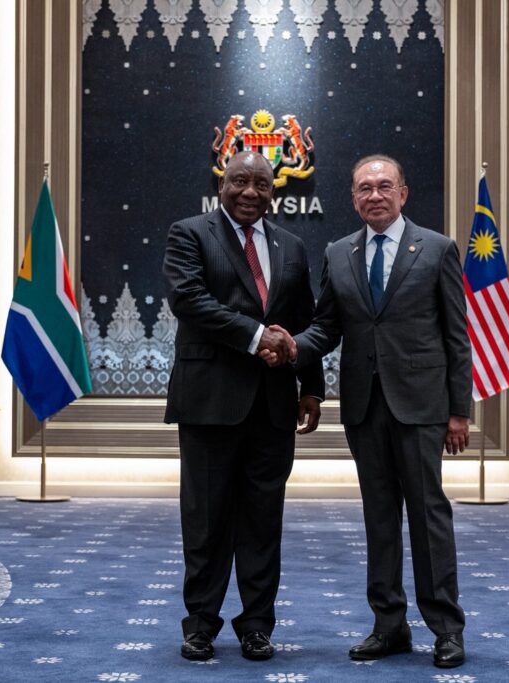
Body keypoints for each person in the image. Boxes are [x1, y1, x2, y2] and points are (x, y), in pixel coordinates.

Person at [262, 154, 472, 668]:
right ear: (353, 198)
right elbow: (327, 327)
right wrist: (293, 348)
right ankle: (389, 625)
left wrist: (458, 412)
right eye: (364, 188)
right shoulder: (339, 253)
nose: (374, 195)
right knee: (379, 518)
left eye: (384, 186)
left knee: (428, 516)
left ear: (403, 193)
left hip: (421, 407)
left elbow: (456, 336)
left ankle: (446, 628)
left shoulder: (437, 248)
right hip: (364, 407)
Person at [162, 150, 324, 662]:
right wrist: (257, 336)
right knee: (206, 520)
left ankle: (257, 626)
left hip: (273, 406)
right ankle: (200, 626)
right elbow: (189, 300)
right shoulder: (189, 234)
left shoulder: (292, 245)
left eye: (261, 183)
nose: (250, 192)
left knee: (262, 521)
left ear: (273, 191)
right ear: (222, 183)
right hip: (209, 401)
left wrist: (312, 387)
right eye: (239, 181)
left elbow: (303, 320)